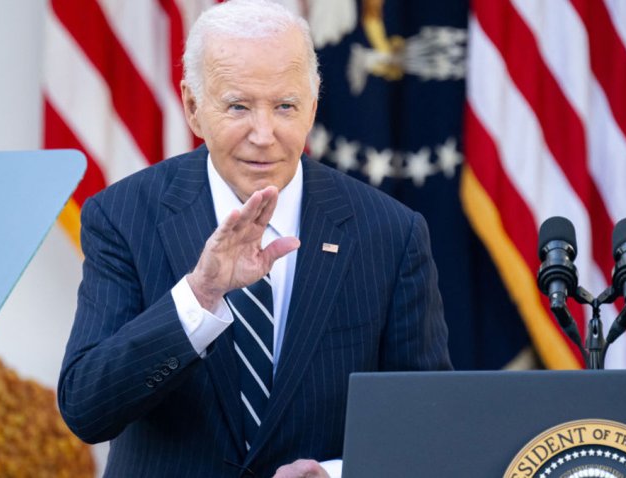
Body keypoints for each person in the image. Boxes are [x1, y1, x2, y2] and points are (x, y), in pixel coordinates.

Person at [57, 1, 452, 477]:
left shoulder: (390, 233)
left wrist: (338, 473)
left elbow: (426, 425)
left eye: (285, 106)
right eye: (238, 106)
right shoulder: (122, 215)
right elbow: (87, 409)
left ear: (313, 106)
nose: (263, 135)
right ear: (192, 108)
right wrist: (199, 297)